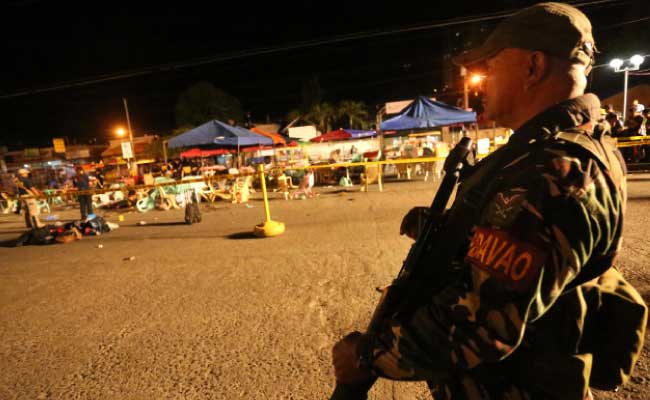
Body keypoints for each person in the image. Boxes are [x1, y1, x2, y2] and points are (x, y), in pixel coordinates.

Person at [332, 3, 645, 400]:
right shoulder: (566, 150)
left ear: (532, 67)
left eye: (492, 66)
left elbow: (478, 323)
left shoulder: (554, 170)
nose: (482, 81)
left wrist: (367, 356)